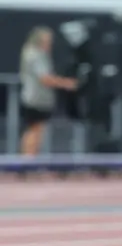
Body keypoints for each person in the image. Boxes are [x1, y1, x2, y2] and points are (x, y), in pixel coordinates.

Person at [18, 26, 77, 156]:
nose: (50, 43)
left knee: (35, 131)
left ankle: (29, 160)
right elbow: (45, 79)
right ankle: (28, 160)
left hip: (37, 98)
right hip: (35, 99)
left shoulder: (32, 53)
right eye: (47, 40)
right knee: (34, 131)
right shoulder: (36, 55)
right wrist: (66, 83)